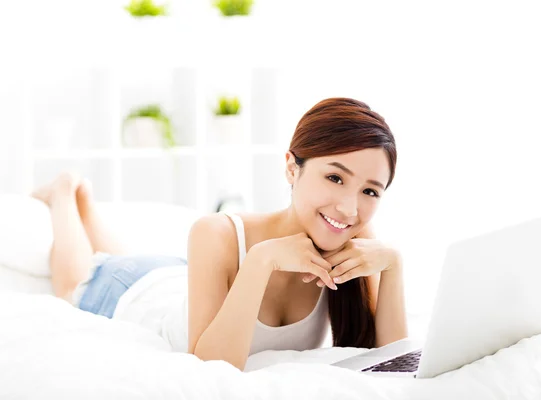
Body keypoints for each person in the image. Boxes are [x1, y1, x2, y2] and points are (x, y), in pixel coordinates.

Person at [34, 97, 408, 371]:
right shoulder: (216, 233)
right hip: (140, 294)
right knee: (80, 282)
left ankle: (86, 205)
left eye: (370, 191)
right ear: (292, 168)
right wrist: (261, 260)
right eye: (335, 177)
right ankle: (65, 193)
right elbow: (211, 365)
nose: (349, 208)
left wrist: (393, 265)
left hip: (178, 280)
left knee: (121, 259)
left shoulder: (355, 239)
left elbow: (394, 362)